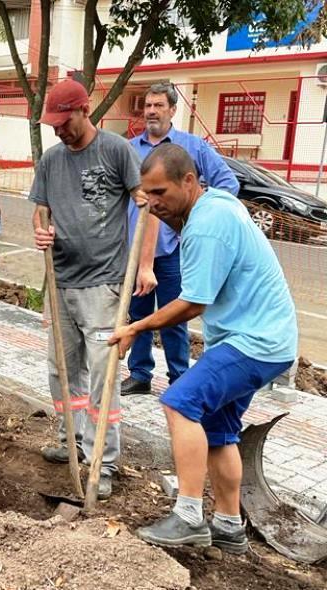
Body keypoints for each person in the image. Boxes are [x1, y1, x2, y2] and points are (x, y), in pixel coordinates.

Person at [110, 143, 297, 552]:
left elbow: (194, 302)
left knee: (180, 402)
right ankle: (229, 524)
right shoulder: (211, 209)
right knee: (219, 432)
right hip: (260, 339)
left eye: (160, 193)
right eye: (147, 194)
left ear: (189, 181)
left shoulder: (208, 222)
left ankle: (189, 515)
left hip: (255, 342)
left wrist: (135, 327)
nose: (152, 203)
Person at [31, 79, 159, 499]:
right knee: (62, 370)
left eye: (63, 122)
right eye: (52, 124)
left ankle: (101, 461)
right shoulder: (51, 161)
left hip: (104, 284)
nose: (57, 131)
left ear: (85, 110)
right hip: (61, 281)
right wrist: (41, 232)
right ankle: (72, 441)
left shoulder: (116, 151)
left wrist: (143, 265)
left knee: (104, 377)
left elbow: (147, 205)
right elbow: (40, 212)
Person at [122, 82, 239, 396]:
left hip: (175, 251)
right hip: (135, 252)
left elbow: (228, 183)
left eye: (158, 105)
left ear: (173, 110)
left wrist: (198, 219)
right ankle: (140, 374)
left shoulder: (193, 147)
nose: (151, 111)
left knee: (176, 315)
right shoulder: (130, 149)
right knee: (138, 314)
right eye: (147, 105)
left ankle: (179, 378)